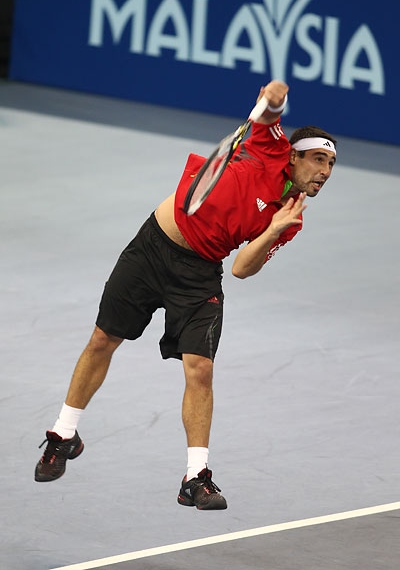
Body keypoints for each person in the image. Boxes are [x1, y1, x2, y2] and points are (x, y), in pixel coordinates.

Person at [34, 80, 337, 511]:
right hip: (152, 249)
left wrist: (273, 230)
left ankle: (195, 478)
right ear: (294, 155)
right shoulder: (268, 147)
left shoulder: (292, 218)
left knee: (200, 369)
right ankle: (64, 434)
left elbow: (241, 268)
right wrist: (275, 97)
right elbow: (271, 107)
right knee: (103, 339)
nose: (325, 171)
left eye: (331, 164)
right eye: (319, 159)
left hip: (199, 274)